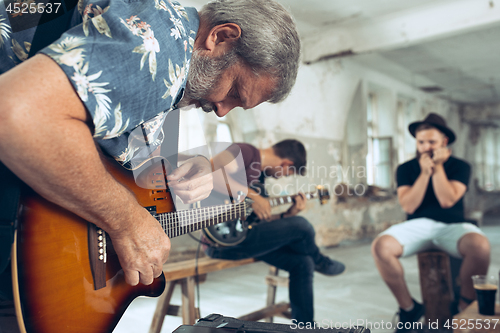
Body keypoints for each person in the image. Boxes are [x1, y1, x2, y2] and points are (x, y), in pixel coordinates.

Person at [0, 0, 300, 292]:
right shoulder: (157, 45)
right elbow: (16, 114)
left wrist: (175, 171)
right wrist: (126, 220)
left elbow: (112, 146)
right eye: (234, 91)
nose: (222, 110)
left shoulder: (176, 72)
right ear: (220, 37)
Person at [203, 140, 345, 325]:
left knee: (303, 262)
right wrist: (253, 197)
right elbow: (210, 172)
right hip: (220, 241)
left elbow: (258, 222)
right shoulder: (245, 152)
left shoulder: (259, 179)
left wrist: (288, 214)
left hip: (243, 237)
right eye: (287, 172)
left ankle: (305, 328)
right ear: (286, 164)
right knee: (301, 225)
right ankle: (321, 261)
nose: (281, 177)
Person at [371, 113, 490, 331]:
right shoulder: (406, 169)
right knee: (381, 246)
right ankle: (408, 308)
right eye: (421, 142)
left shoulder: (460, 166)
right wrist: (425, 173)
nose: (425, 147)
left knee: (480, 246)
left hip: (452, 226)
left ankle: (464, 304)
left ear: (444, 142)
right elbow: (408, 206)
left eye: (431, 142)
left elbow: (447, 200)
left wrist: (439, 167)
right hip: (416, 225)